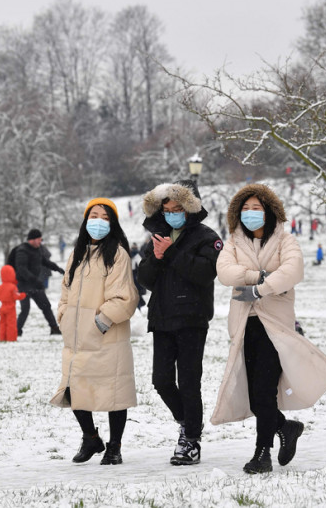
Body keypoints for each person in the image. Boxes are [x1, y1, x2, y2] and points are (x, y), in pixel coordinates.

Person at [213, 183, 326, 474]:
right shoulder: (233, 243)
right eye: (245, 209)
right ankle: (286, 427)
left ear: (269, 211)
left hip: (275, 326)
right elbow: (225, 272)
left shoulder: (285, 240)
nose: (250, 213)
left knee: (264, 390)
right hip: (245, 325)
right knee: (255, 395)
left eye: (256, 208)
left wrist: (260, 289)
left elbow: (292, 270)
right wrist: (259, 276)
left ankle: (262, 454)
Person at [137, 179, 222, 466]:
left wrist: (171, 253)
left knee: (188, 382)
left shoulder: (206, 237)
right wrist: (157, 257)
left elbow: (205, 273)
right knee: (161, 381)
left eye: (178, 209)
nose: (172, 214)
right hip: (161, 318)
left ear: (189, 208)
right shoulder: (158, 235)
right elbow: (145, 279)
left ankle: (191, 441)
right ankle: (188, 422)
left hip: (191, 319)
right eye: (167, 210)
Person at [50, 198, 139, 466]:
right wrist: (64, 315)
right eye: (94, 216)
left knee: (114, 392)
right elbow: (65, 290)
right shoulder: (77, 254)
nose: (98, 222)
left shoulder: (118, 254)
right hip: (76, 338)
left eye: (105, 217)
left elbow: (124, 297)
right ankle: (90, 437)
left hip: (106, 337)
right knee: (74, 388)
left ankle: (115, 447)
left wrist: (101, 321)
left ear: (113, 223)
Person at [11, 229, 66, 337]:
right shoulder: (22, 251)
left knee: (46, 306)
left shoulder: (38, 249)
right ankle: (16, 331)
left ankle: (54, 328)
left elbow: (45, 261)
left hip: (34, 285)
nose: (40, 241)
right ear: (33, 239)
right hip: (23, 285)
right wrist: (35, 281)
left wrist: (58, 269)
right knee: (25, 309)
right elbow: (22, 269)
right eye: (39, 239)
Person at [0, 265, 26, 342]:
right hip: (11, 308)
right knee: (11, 324)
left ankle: (2, 338)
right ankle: (11, 338)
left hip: (2, 308)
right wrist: (23, 295)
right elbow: (16, 296)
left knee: (2, 324)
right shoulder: (13, 287)